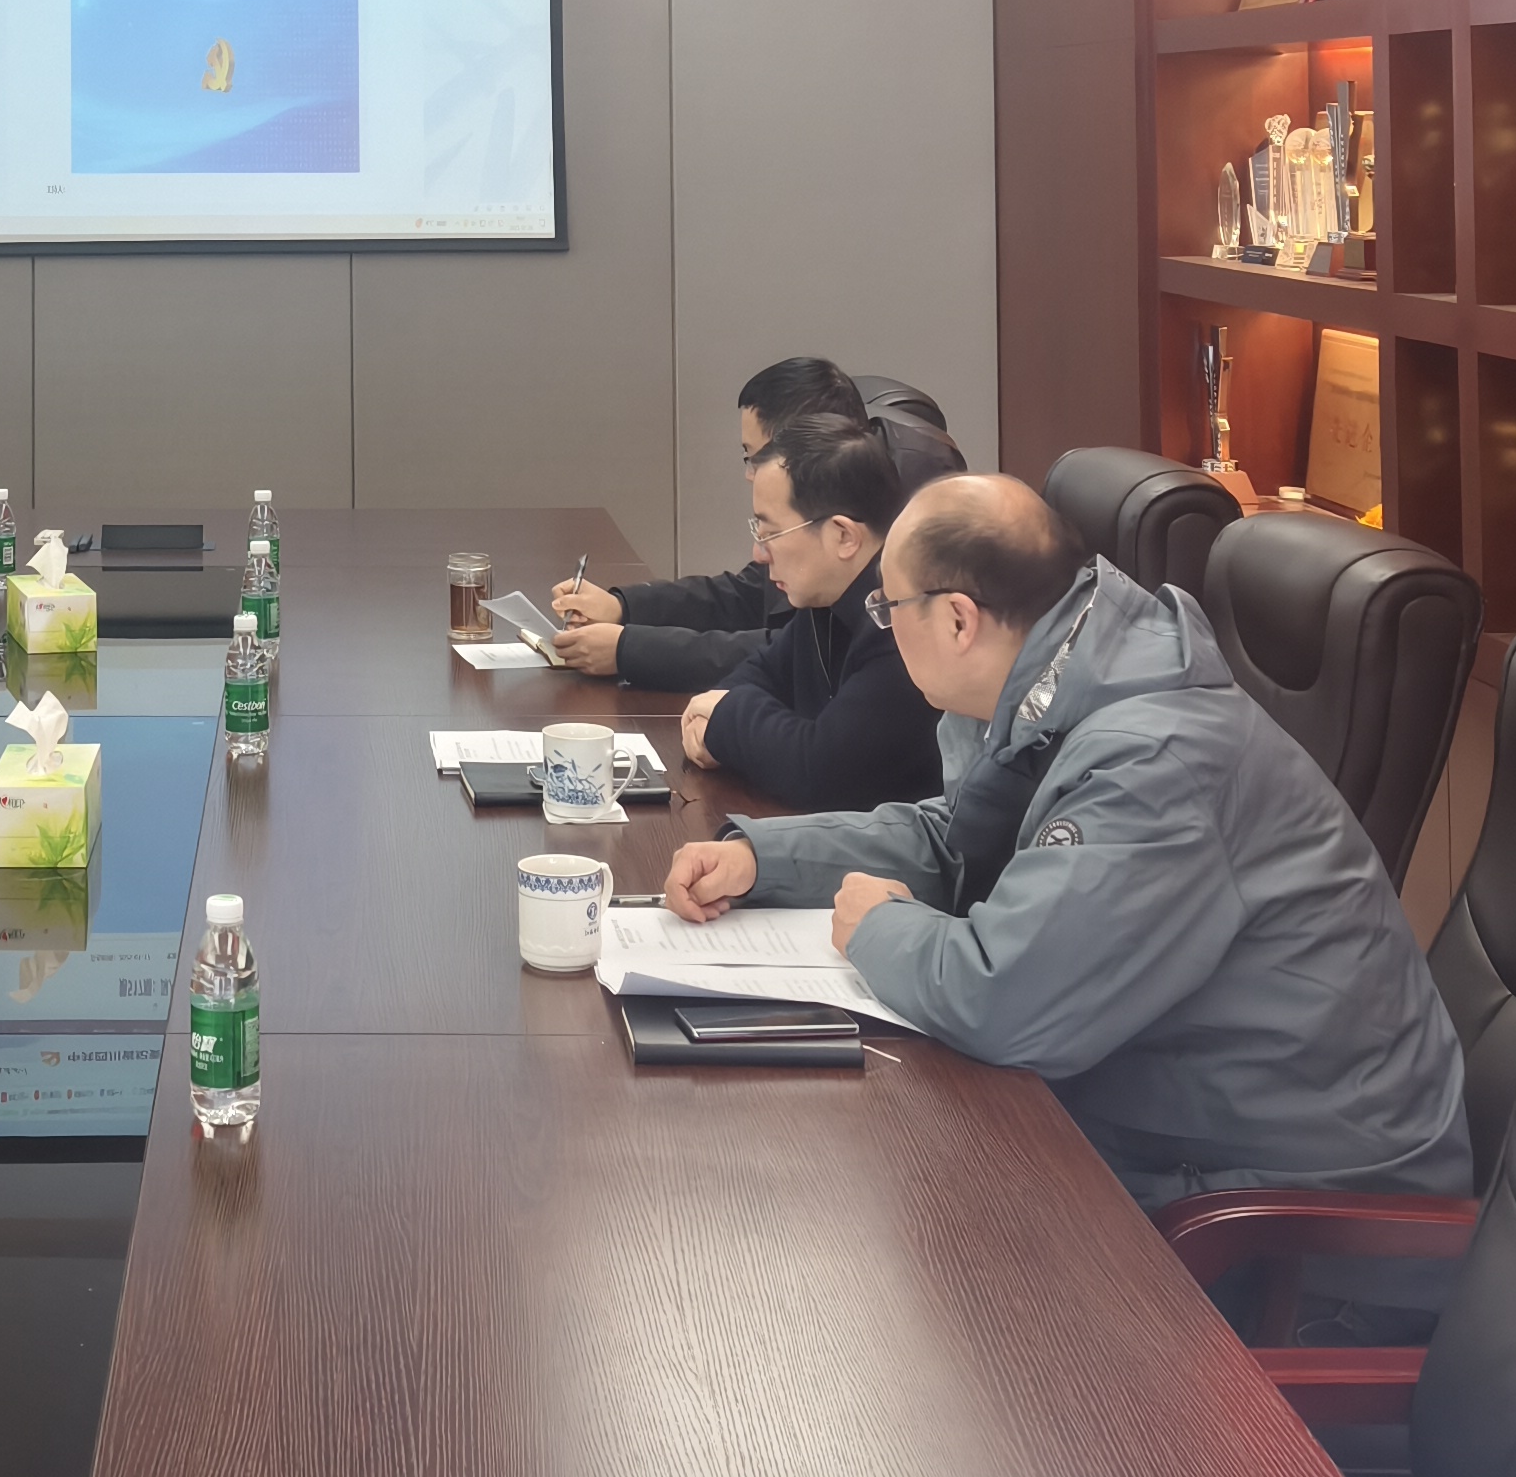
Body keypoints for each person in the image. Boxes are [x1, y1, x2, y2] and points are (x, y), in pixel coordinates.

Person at [660, 474, 1469, 1204]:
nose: (882, 626)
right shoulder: (1060, 672)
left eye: (888, 607)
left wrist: (880, 928)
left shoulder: (1153, 760)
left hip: (1293, 1210)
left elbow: (1004, 1000)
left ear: (958, 618)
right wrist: (764, 859)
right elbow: (957, 844)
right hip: (1161, 1122)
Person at [546, 358, 951, 682]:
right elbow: (746, 595)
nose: (750, 473)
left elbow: (783, 654)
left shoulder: (895, 531)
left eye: (755, 456)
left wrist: (628, 649)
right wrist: (623, 607)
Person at [674, 407, 960, 811]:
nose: (758, 553)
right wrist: (740, 720)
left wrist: (724, 721)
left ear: (843, 536)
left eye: (771, 533)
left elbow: (822, 771)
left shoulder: (901, 616)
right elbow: (757, 675)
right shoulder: (827, 598)